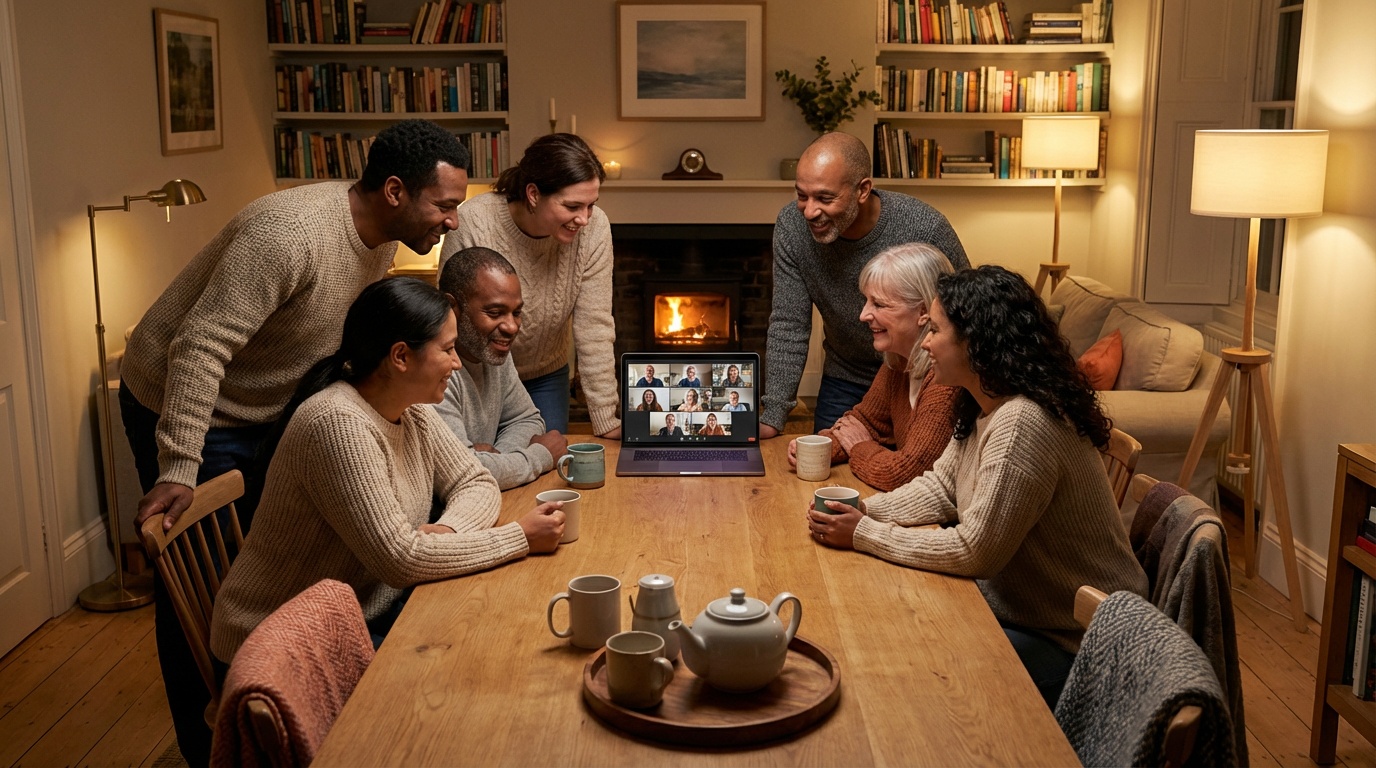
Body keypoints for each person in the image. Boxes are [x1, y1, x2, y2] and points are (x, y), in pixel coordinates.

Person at [117, 119, 470, 766]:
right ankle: (216, 743)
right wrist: (178, 467)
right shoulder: (289, 233)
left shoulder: (381, 236)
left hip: (267, 401)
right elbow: (200, 345)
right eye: (445, 205)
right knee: (206, 583)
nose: (452, 221)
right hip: (190, 397)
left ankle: (298, 696)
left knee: (275, 559)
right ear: (395, 191)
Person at [805, 265, 1147, 708]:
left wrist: (865, 534)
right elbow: (939, 488)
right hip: (1025, 611)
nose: (926, 343)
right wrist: (865, 511)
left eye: (936, 330)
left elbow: (975, 551)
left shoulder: (1023, 421)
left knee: (917, 676)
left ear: (976, 342)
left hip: (1081, 644)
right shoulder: (985, 403)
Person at [210, 277, 566, 662]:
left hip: (365, 611)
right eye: (447, 349)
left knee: (492, 632)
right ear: (401, 356)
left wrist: (445, 533)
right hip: (279, 643)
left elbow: (476, 480)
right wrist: (519, 537)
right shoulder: (336, 423)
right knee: (470, 660)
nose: (457, 362)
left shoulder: (412, 409)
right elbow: (401, 559)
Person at [760, 131, 970, 438]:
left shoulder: (924, 227)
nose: (809, 211)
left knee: (906, 473)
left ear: (863, 190)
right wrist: (773, 414)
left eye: (825, 198)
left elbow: (967, 314)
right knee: (822, 469)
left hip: (922, 378)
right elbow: (788, 323)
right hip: (845, 377)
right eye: (801, 195)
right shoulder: (792, 228)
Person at [441, 132, 620, 438]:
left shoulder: (595, 229)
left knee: (547, 467)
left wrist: (605, 418)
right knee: (489, 470)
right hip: (479, 373)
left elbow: (595, 326)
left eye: (591, 205)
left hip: (546, 375)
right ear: (534, 194)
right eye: (573, 206)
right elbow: (449, 317)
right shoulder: (475, 221)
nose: (585, 219)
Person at [788, 243, 960, 492]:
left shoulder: (946, 380)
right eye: (866, 301)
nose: (863, 315)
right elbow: (864, 422)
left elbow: (906, 474)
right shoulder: (898, 361)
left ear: (924, 310)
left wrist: (859, 447)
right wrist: (821, 446)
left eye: (879, 304)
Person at [433, 247, 566, 490]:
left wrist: (495, 459)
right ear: (452, 307)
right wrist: (539, 456)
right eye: (495, 313)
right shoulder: (433, 370)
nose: (512, 327)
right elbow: (461, 474)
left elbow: (528, 419)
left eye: (517, 313)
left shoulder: (492, 349)